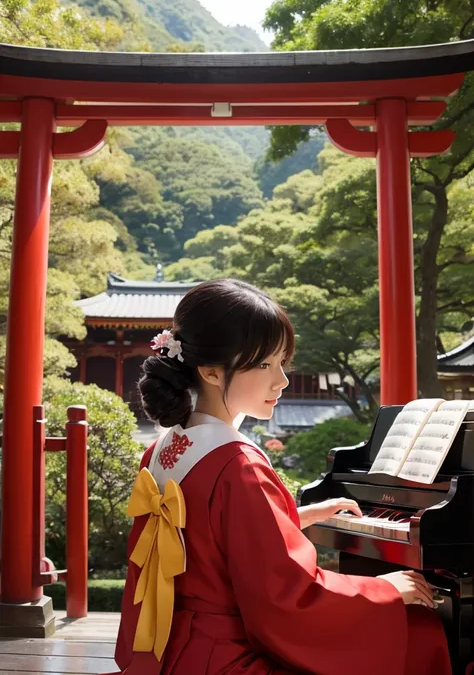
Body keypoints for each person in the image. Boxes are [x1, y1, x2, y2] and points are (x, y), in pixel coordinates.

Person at [113, 278, 453, 675]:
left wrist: (297, 516)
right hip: (226, 659)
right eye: (263, 364)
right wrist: (385, 589)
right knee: (423, 633)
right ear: (210, 371)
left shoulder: (163, 449)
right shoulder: (237, 463)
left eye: (282, 363)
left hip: (172, 648)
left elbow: (211, 541)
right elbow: (287, 599)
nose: (282, 381)